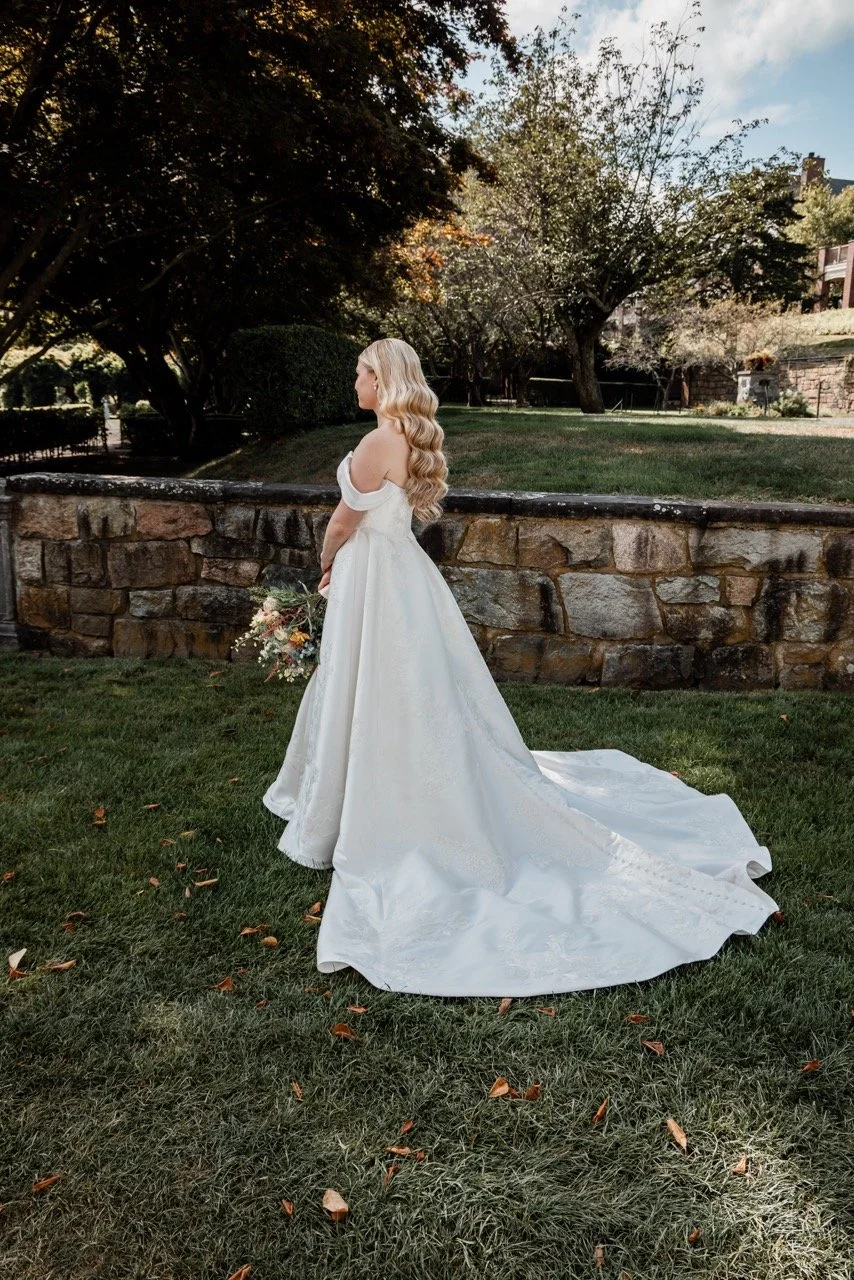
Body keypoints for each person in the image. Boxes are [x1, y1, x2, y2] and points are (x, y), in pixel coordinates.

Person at [262, 337, 778, 997]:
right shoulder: (410, 441)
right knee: (406, 687)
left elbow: (341, 522)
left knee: (375, 684)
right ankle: (373, 779)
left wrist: (326, 562)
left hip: (374, 573)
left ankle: (369, 797)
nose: (353, 380)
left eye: (361, 370)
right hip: (401, 575)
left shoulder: (375, 444)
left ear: (383, 379)